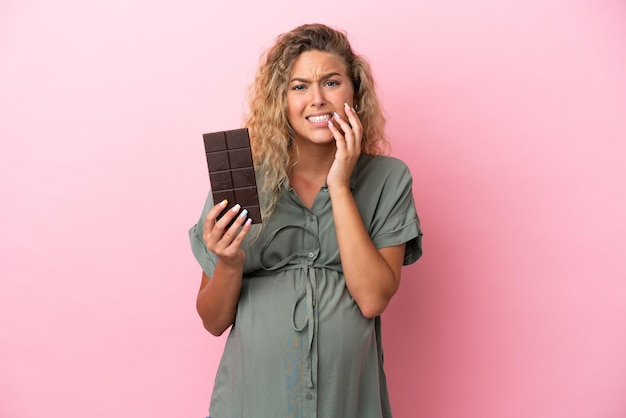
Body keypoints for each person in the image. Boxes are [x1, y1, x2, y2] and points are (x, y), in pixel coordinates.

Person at [189, 23, 423, 418]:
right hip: (253, 399)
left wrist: (341, 186)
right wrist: (229, 262)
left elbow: (372, 298)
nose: (317, 99)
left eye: (331, 82)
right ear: (281, 100)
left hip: (347, 401)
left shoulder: (388, 178)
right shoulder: (243, 182)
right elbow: (213, 321)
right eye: (299, 87)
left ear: (354, 92)